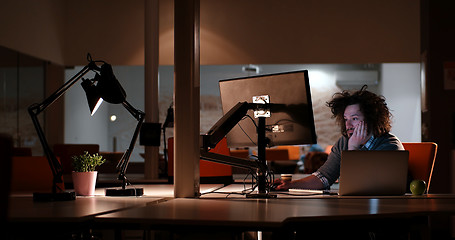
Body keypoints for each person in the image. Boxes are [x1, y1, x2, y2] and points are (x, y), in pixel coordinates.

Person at [274, 85, 404, 190]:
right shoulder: (344, 141)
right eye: (346, 119)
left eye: (354, 118)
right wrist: (291, 184)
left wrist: (353, 149)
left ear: (372, 119)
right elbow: (324, 177)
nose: (348, 125)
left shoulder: (389, 146)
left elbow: (359, 186)